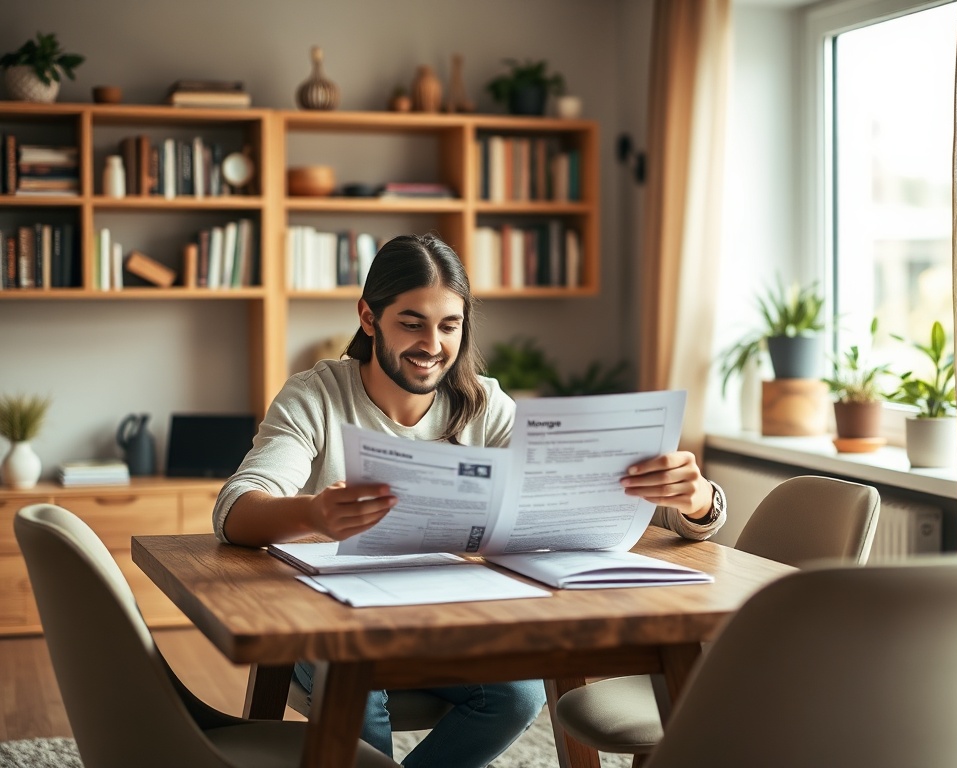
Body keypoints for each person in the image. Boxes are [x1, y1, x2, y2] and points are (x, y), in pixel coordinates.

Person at [212, 233, 727, 768]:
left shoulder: (483, 404)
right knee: (354, 691)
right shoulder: (316, 395)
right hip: (334, 626)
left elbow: (597, 494)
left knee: (518, 695)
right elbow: (236, 507)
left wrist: (696, 499)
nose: (432, 344)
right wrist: (314, 512)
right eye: (411, 322)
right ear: (369, 317)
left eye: (449, 325)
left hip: (446, 621)